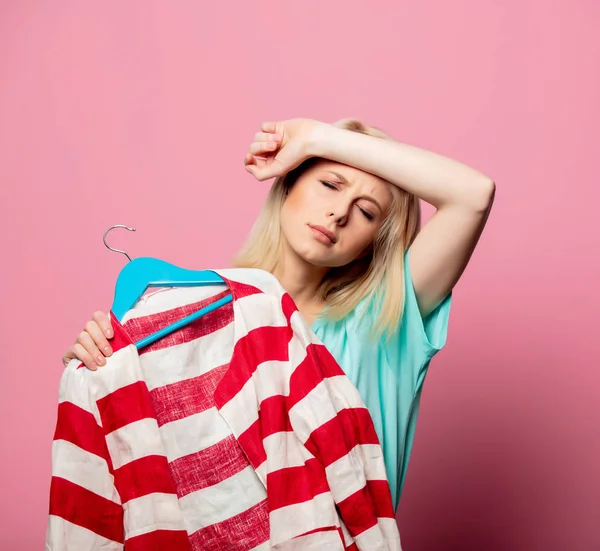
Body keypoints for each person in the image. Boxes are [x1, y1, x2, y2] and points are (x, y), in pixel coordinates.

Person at [61, 117, 495, 511]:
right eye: (330, 184)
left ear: (373, 243)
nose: (340, 213)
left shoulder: (383, 326)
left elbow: (472, 195)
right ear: (288, 185)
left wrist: (314, 137)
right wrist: (98, 367)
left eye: (366, 212)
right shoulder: (198, 320)